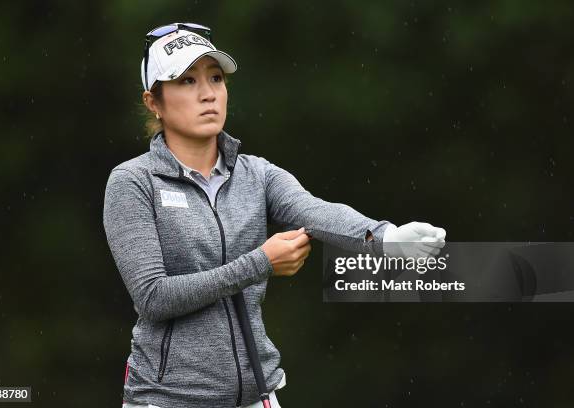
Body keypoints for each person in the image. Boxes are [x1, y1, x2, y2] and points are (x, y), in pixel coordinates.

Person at [103, 23, 446, 408]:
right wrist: (260, 263)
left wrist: (384, 237)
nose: (208, 94)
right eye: (186, 81)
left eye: (215, 78)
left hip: (258, 396)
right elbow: (155, 297)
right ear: (154, 102)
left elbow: (314, 211)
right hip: (168, 399)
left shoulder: (257, 174)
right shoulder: (133, 181)